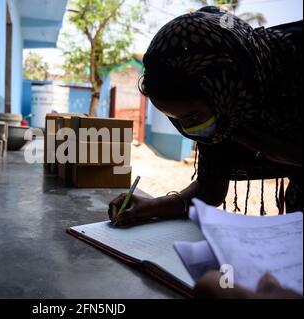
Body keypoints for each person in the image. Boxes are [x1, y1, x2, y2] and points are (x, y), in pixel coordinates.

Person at [108, 6, 302, 298]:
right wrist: (151, 207)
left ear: (225, 87)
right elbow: (211, 190)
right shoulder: (229, 103)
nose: (187, 130)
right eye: (176, 120)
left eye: (192, 117)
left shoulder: (287, 67)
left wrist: (273, 148)